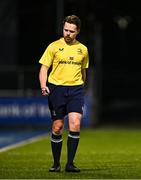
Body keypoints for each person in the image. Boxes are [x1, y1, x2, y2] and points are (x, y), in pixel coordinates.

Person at [39, 15, 89, 172]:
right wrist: (43, 85)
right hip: (56, 89)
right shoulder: (53, 46)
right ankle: (56, 164)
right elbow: (44, 68)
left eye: (71, 31)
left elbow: (83, 71)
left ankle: (70, 164)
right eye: (65, 30)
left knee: (75, 123)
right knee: (58, 127)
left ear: (78, 31)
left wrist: (81, 87)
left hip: (76, 89)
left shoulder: (83, 49)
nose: (67, 33)